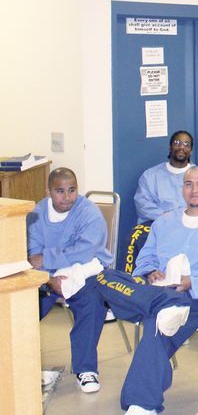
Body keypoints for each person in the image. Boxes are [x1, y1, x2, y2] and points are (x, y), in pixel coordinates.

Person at [97, 166, 198, 415]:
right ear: (182, 189)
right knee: (103, 277)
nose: (194, 190)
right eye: (188, 184)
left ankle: (143, 403)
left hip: (193, 298)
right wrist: (151, 271)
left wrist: (191, 281)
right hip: (155, 291)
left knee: (157, 323)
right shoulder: (164, 222)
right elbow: (146, 257)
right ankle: (161, 302)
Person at [28, 168, 110, 394]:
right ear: (48, 192)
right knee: (22, 306)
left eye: (72, 190)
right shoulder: (36, 214)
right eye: (60, 191)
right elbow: (32, 256)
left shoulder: (89, 212)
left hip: (84, 271)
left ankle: (85, 369)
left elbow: (84, 252)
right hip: (49, 276)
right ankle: (20, 365)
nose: (67, 197)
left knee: (93, 302)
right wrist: (49, 278)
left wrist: (47, 257)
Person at [130, 129, 193, 272]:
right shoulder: (151, 175)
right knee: (132, 239)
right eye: (177, 142)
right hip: (155, 223)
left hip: (187, 225)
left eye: (186, 144)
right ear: (170, 147)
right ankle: (134, 284)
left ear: (190, 150)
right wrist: (166, 217)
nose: (181, 147)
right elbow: (143, 205)